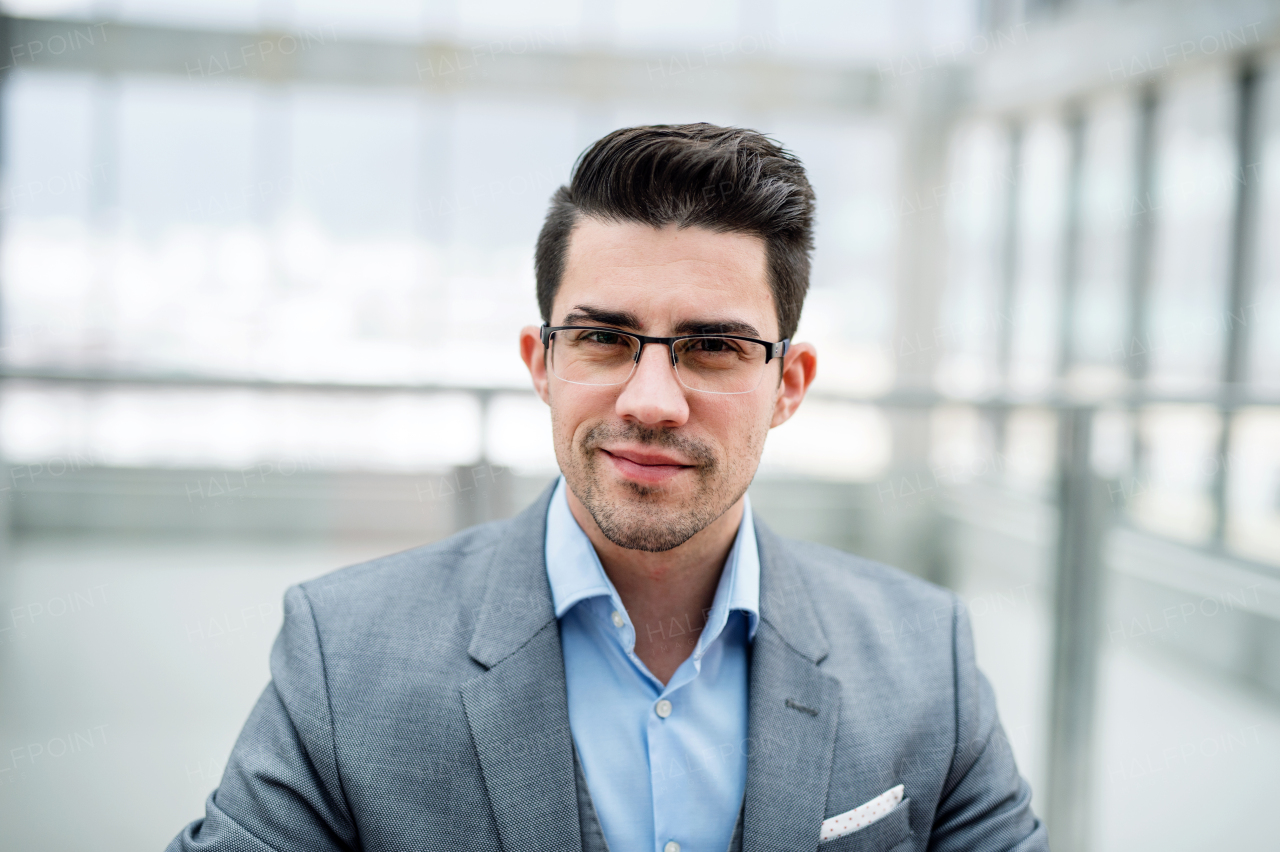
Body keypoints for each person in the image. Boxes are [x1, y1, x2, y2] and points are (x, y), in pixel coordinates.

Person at [168, 123, 1047, 852]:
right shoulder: (345, 657)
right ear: (541, 362)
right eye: (603, 338)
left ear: (789, 384)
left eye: (713, 346)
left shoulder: (927, 663)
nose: (652, 402)